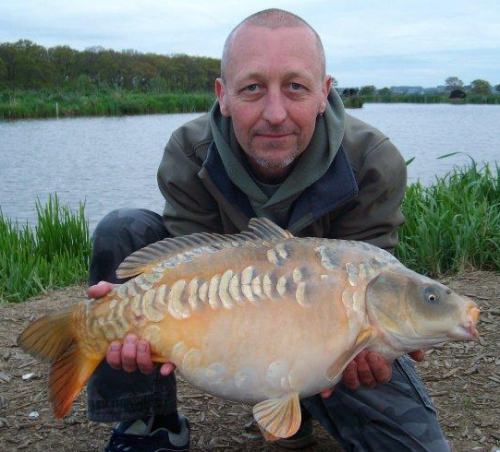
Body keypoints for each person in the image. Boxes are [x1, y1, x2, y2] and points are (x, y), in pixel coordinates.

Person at [87, 8, 450, 452]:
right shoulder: (189, 150)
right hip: (226, 318)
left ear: (324, 93)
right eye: (253, 88)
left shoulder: (373, 161)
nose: (275, 113)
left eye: (295, 87)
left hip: (326, 336)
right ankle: (148, 421)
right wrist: (149, 329)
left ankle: (301, 403)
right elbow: (185, 264)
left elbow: (371, 280)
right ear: (223, 95)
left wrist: (376, 345)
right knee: (123, 229)